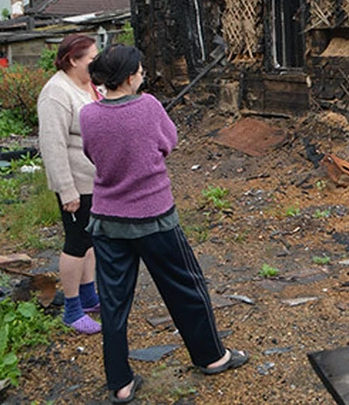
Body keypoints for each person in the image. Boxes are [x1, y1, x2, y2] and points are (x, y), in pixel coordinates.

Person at [80, 45, 247, 404]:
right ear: (129, 76)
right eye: (140, 70)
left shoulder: (88, 115)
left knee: (113, 303)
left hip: (108, 221)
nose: (143, 74)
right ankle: (211, 356)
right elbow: (168, 143)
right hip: (154, 217)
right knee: (187, 287)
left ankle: (120, 384)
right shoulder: (149, 106)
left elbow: (91, 155)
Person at [37, 34, 102, 335]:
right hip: (75, 184)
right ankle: (72, 309)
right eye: (91, 57)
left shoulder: (90, 85)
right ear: (73, 60)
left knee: (89, 240)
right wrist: (66, 190)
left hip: (94, 181)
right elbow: (53, 145)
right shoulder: (56, 93)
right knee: (75, 244)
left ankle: (89, 296)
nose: (96, 61)